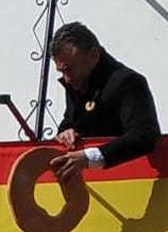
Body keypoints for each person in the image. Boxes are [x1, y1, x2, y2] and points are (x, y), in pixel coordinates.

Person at [47, 22, 160, 182]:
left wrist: (90, 157)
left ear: (93, 55)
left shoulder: (127, 82)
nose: (66, 78)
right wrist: (66, 132)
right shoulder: (77, 81)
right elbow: (71, 121)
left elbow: (145, 136)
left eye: (69, 69)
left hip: (126, 182)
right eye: (62, 72)